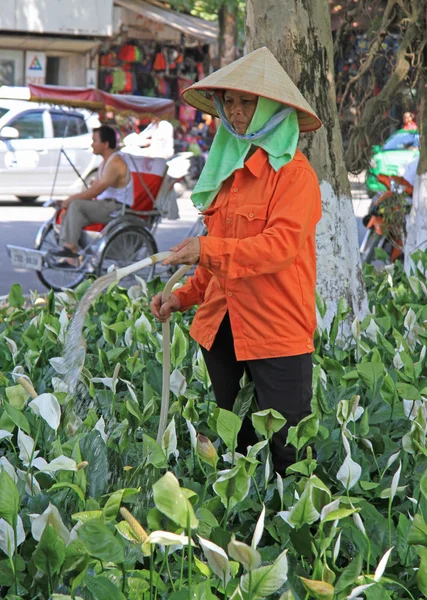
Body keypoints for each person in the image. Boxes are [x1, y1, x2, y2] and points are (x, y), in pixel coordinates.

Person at [150, 46, 322, 475]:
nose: (238, 111)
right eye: (231, 101)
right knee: (239, 447)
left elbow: (278, 248)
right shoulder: (228, 168)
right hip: (222, 329)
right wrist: (182, 296)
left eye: (248, 101)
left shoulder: (295, 175)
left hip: (275, 331)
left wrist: (205, 250)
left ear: (272, 108)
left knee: (288, 453)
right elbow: (216, 254)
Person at [53, 124, 133, 267]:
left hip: (116, 207)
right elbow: (93, 188)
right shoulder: (104, 163)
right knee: (71, 210)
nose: (92, 144)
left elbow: (96, 191)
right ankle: (71, 257)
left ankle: (71, 247)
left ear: (106, 144)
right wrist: (68, 202)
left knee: (75, 204)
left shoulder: (116, 162)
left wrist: (71, 199)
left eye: (95, 140)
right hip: (105, 205)